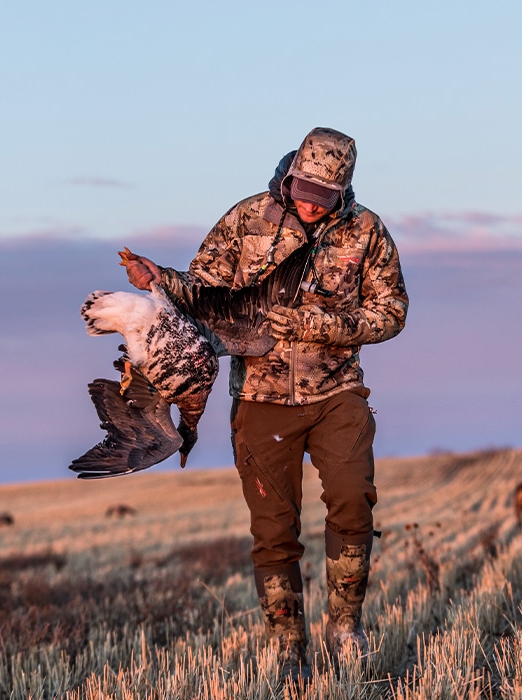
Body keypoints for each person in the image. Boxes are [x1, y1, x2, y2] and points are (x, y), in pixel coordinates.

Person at [121, 127, 408, 679]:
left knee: (353, 502)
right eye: (303, 187)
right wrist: (161, 280)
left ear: (344, 190)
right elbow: (204, 293)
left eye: (324, 196)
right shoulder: (246, 218)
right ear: (290, 173)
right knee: (274, 531)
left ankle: (345, 628)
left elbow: (392, 312)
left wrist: (322, 325)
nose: (309, 201)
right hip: (259, 398)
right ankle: (287, 649)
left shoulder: (366, 230)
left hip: (337, 392)